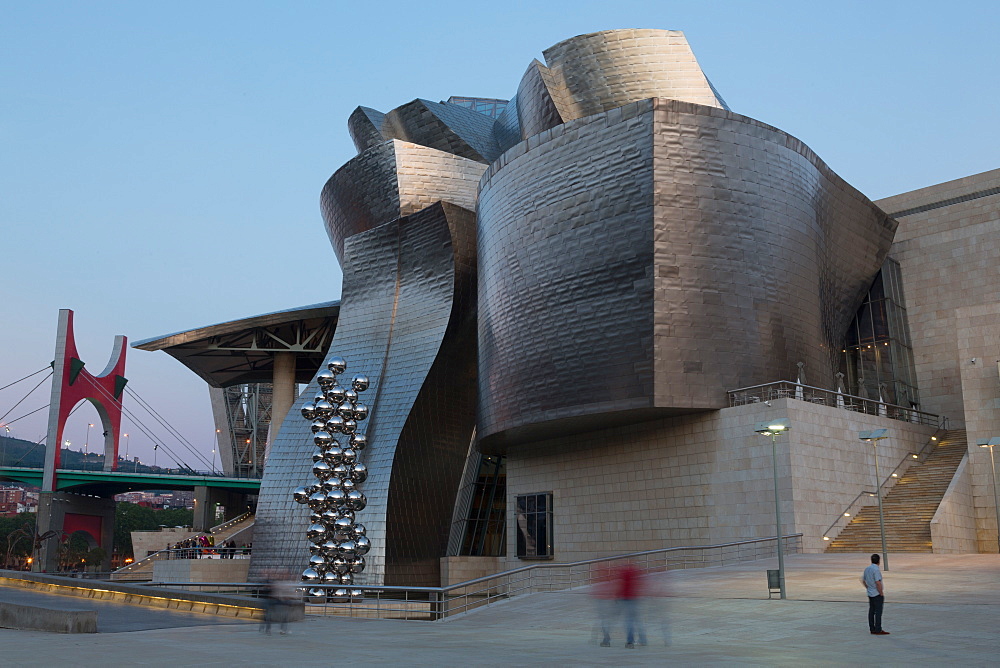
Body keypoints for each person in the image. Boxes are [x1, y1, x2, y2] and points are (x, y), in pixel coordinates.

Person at [862, 553, 889, 635]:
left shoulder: (867, 569)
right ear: (879, 561)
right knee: (878, 612)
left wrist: (868, 587)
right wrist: (881, 592)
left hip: (870, 593)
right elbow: (878, 582)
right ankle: (878, 629)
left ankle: (872, 628)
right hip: (876, 593)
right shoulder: (876, 570)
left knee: (871, 611)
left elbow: (863, 580)